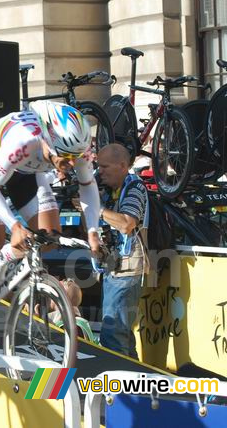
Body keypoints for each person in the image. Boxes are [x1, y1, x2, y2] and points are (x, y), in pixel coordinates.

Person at [0, 101, 99, 350]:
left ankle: (4, 259)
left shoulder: (75, 147)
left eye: (75, 158)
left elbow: (88, 186)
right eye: (66, 158)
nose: (72, 164)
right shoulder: (24, 139)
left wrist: (93, 231)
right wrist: (13, 225)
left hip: (30, 170)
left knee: (50, 236)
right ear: (49, 141)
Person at [88, 143, 149, 358]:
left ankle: (119, 389)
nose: (99, 171)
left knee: (113, 336)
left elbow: (126, 223)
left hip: (128, 269)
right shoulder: (108, 190)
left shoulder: (135, 187)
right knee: (121, 336)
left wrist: (98, 209)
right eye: (97, 166)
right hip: (113, 269)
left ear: (123, 166)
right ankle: (135, 387)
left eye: (104, 166)